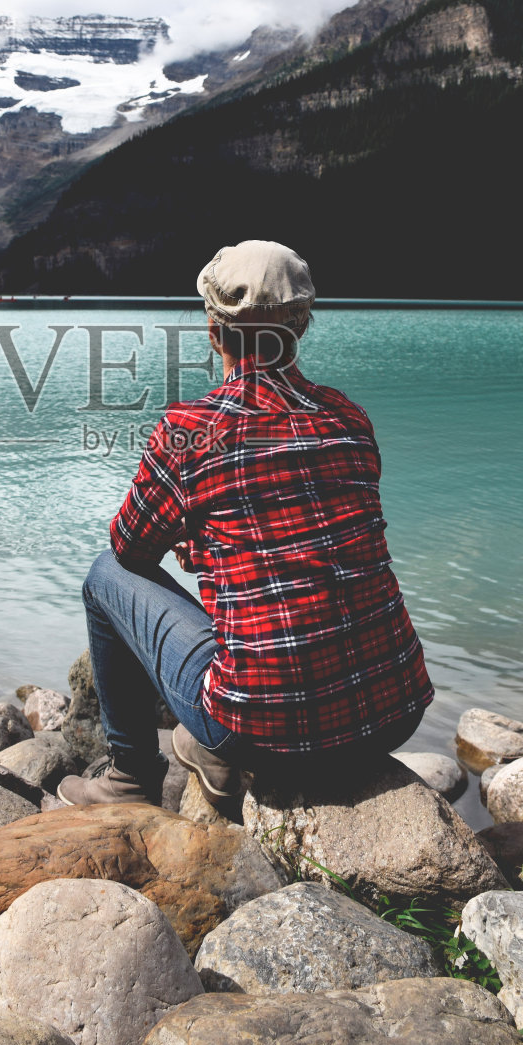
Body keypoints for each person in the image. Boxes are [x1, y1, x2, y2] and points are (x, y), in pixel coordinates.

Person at [57, 239, 433, 811]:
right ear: (301, 326)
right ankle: (208, 754)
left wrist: (198, 542)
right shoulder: (349, 419)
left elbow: (130, 549)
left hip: (267, 732)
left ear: (213, 331)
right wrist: (216, 545)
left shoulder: (192, 429)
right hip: (395, 713)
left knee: (104, 575)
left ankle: (131, 774)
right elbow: (305, 542)